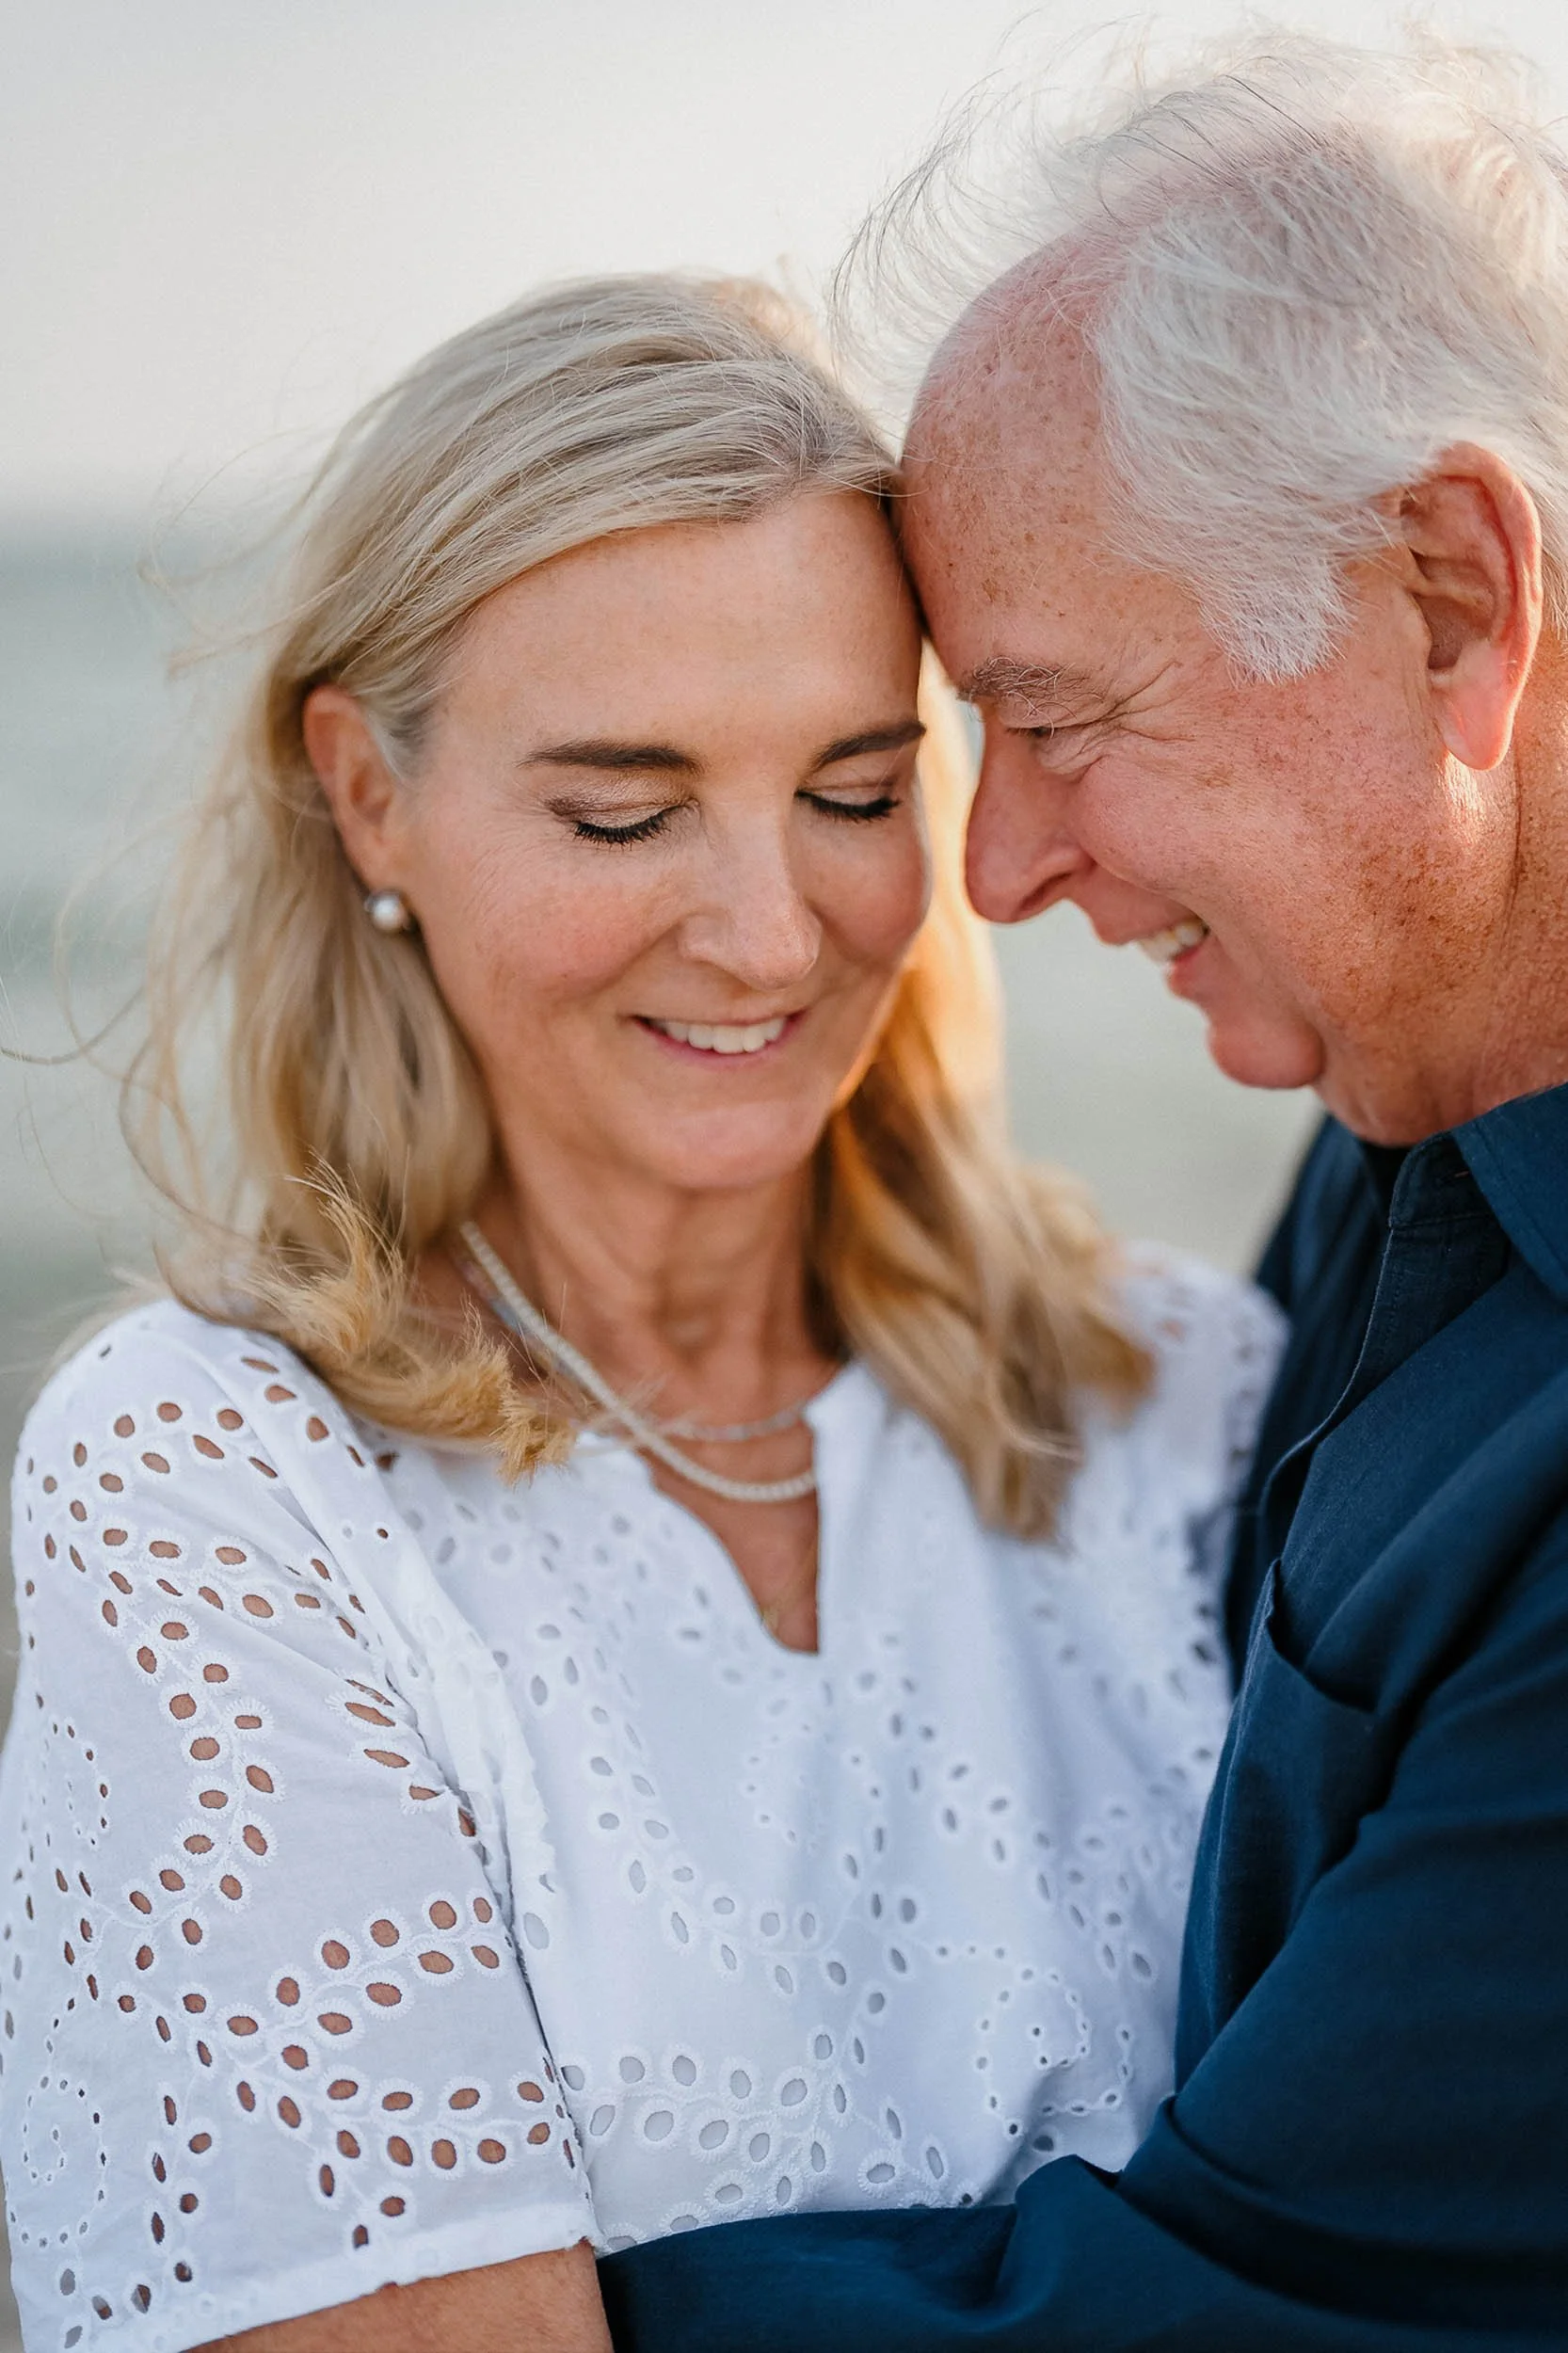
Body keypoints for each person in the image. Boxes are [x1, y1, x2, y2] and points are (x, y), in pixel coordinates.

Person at [0, 277, 1282, 2351]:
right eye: (623, 809)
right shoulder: (230, 1484)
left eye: (858, 793)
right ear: (367, 793)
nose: (771, 930)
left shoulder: (1181, 1397)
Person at [597, 32, 1568, 2352]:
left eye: (1052, 713)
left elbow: (1243, 2311)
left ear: (1445, 595)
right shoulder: (1410, 1122)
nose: (993, 865)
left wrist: (413, 2302)